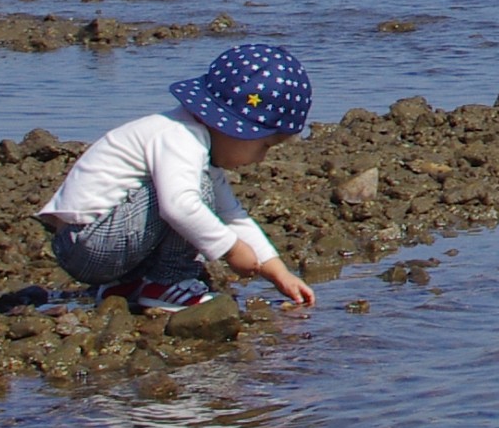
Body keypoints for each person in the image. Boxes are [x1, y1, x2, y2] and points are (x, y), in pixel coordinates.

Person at [31, 41, 322, 311]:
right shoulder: (180, 137)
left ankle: (129, 285)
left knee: (197, 196)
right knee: (190, 197)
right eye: (264, 146)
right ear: (235, 127)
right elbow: (179, 206)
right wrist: (231, 249)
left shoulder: (195, 143)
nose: (261, 158)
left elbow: (232, 215)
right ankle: (166, 284)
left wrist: (277, 271)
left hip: (96, 243)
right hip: (88, 244)